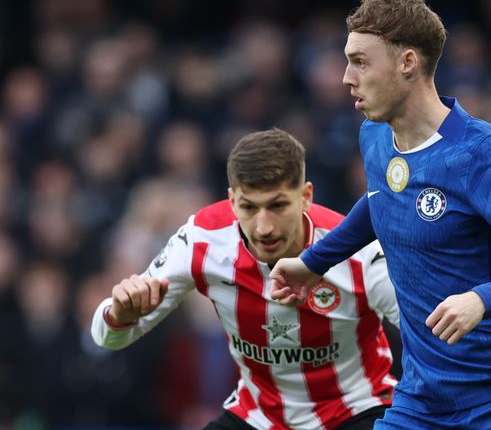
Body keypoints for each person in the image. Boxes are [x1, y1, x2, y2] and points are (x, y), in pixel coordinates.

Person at [269, 0, 491, 428]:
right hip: (424, 403)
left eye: (360, 62)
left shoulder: (482, 154)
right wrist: (313, 262)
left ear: (408, 62)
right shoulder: (375, 136)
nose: (346, 78)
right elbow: (383, 199)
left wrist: (481, 300)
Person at [91, 128, 400, 430]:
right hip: (258, 417)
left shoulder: (357, 253)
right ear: (232, 200)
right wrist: (120, 314)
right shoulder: (201, 241)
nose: (263, 227)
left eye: (277, 206)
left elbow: (431, 333)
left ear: (306, 196)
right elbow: (106, 337)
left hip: (357, 411)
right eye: (249, 207)